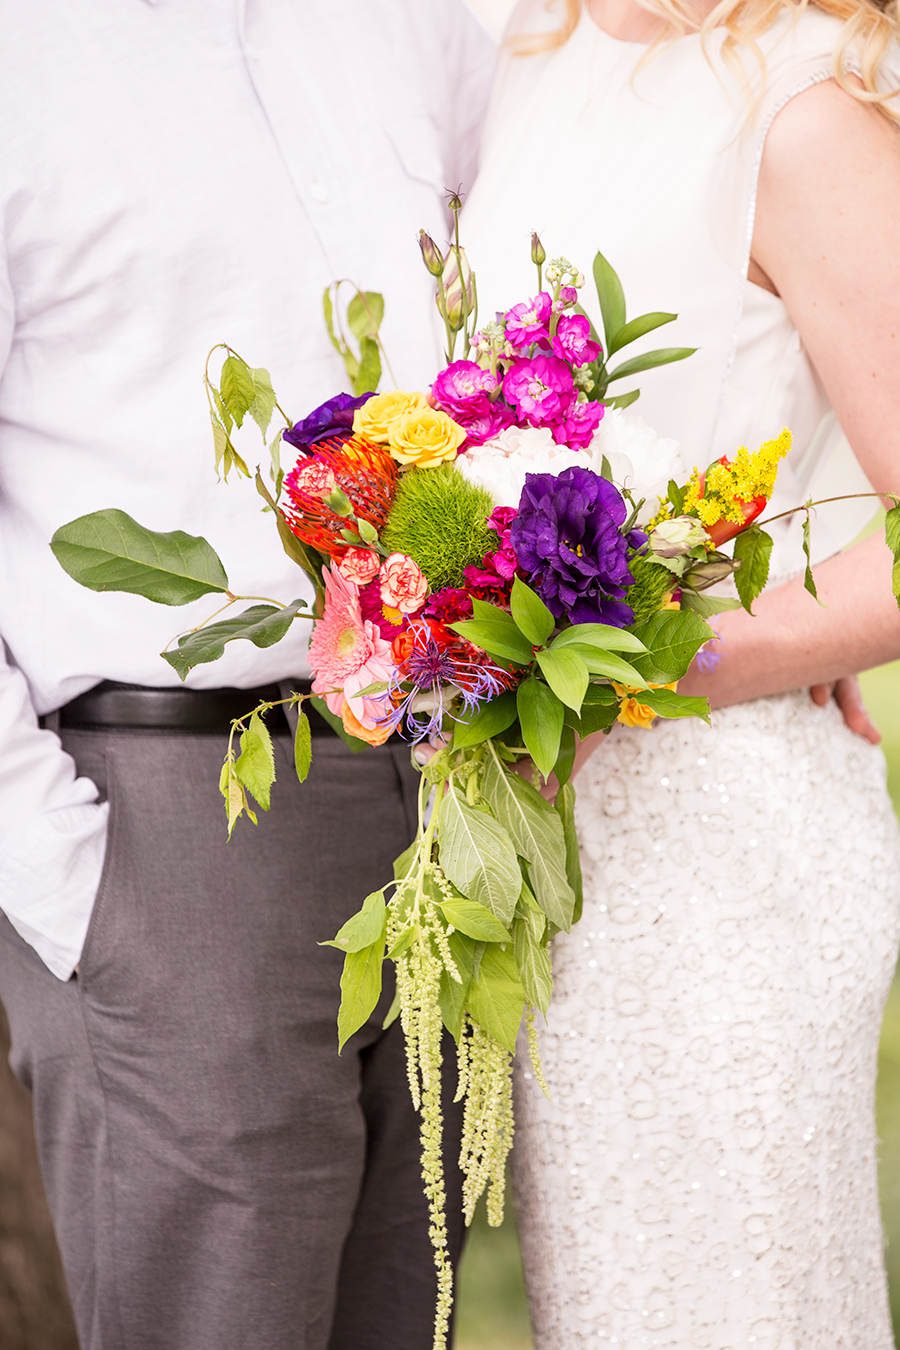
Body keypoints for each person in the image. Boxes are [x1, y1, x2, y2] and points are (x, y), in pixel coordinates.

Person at [0, 4, 495, 1348]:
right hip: (168, 823)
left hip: (437, 791)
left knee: (413, 1310)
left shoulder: (424, 20)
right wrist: (71, 882)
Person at [461, 0, 900, 1343]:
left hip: (729, 847)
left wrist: (702, 650)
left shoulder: (807, 112)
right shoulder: (530, 57)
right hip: (565, 845)